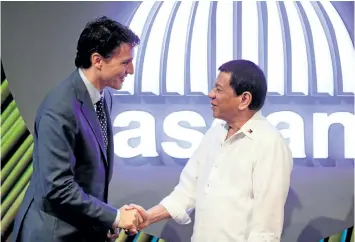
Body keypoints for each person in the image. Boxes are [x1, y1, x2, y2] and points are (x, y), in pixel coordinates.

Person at [11, 16, 146, 242]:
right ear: (97, 60)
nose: (131, 70)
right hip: (53, 235)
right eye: (125, 62)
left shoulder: (102, 97)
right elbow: (57, 187)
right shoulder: (60, 108)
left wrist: (103, 221)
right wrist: (113, 216)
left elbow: (87, 177)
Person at [130, 60, 293, 241]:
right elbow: (187, 191)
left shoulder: (270, 144)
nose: (211, 95)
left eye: (219, 90)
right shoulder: (216, 132)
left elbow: (266, 228)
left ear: (244, 99)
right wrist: (149, 216)